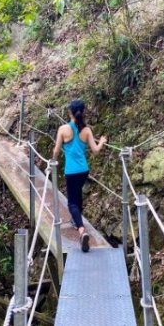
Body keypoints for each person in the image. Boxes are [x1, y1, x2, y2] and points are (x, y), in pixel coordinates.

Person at [52, 99, 107, 252]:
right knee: (78, 196)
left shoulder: (63, 129)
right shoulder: (87, 130)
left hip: (71, 171)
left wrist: (52, 162)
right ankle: (76, 221)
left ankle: (82, 231)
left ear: (70, 112)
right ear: (83, 112)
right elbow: (95, 150)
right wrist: (101, 141)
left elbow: (56, 150)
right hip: (84, 170)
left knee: (72, 203)